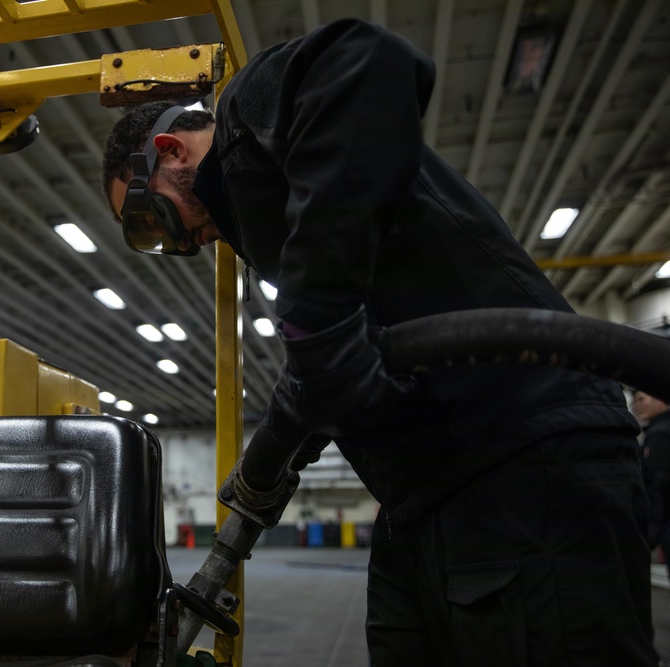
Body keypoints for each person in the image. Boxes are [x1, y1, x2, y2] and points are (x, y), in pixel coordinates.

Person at [101, 18, 654, 667]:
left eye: (149, 217)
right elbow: (336, 355)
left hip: (524, 463)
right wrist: (269, 463)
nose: (174, 241)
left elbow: (370, 61)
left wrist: (317, 317)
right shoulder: (273, 217)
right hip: (427, 497)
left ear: (169, 150)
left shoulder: (247, 117)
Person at [634, 389, 670, 575]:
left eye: (642, 399)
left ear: (661, 401)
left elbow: (660, 484)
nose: (637, 405)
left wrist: (653, 530)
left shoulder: (659, 433)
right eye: (635, 401)